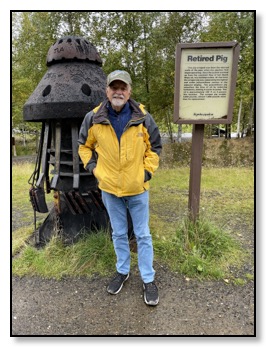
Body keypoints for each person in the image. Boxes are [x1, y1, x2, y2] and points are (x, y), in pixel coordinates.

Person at [78, 70, 162, 306]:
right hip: (110, 189)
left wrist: (145, 172)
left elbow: (154, 147)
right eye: (114, 87)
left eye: (122, 87)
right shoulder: (93, 118)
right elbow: (83, 146)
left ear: (129, 91)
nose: (118, 91)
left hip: (137, 189)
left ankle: (148, 279)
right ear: (106, 91)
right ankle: (122, 271)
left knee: (143, 235)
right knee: (118, 233)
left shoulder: (143, 117)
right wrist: (95, 169)